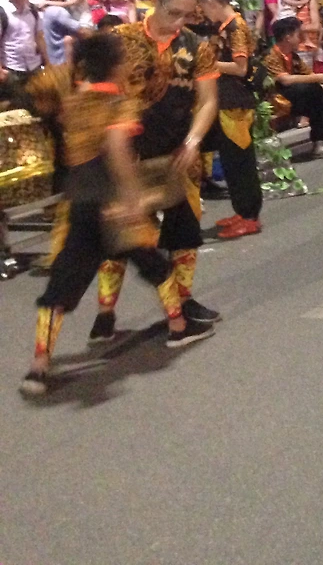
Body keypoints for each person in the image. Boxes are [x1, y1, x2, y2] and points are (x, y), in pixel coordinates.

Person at [20, 34, 215, 396]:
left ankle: (39, 365)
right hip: (112, 203)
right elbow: (117, 151)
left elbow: (38, 96)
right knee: (154, 264)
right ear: (115, 65)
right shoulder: (118, 103)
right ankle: (178, 327)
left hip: (81, 201)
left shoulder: (74, 100)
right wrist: (131, 197)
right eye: (124, 60)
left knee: (62, 282)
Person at [91, 0, 221, 339]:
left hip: (175, 154)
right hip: (126, 156)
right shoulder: (120, 40)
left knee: (185, 234)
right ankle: (105, 312)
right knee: (122, 237)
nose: (179, 22)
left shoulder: (197, 47)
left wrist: (193, 141)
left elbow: (208, 101)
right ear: (156, 1)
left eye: (187, 15)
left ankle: (183, 300)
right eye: (173, 13)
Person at [196, 0, 263, 241]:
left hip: (236, 103)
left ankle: (250, 216)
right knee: (231, 160)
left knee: (240, 160)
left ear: (212, 2)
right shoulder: (225, 27)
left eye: (203, 6)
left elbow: (240, 68)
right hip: (226, 100)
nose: (203, 12)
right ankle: (241, 211)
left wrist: (208, 64)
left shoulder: (235, 27)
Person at [265, 17, 323, 159]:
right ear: (288, 37)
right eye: (298, 34)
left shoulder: (293, 56)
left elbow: (309, 74)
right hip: (278, 100)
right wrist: (319, 78)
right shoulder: (271, 56)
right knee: (311, 89)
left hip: (297, 99)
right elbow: (285, 80)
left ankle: (319, 145)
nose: (301, 38)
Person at [2, 0, 49, 108]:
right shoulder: (3, 14)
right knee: (17, 104)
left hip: (34, 65)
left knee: (38, 101)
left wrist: (47, 62)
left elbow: (39, 37)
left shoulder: (33, 11)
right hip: (12, 67)